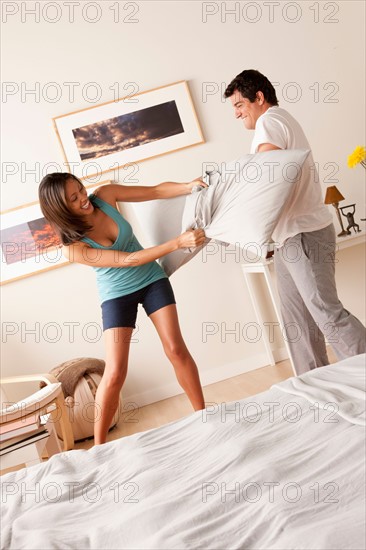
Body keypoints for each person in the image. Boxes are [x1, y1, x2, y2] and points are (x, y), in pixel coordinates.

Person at [39, 174, 206, 444]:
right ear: (61, 209)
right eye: (74, 198)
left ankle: (202, 417)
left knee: (175, 349)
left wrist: (187, 186)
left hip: (152, 280)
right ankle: (99, 446)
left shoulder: (105, 196)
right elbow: (128, 259)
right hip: (117, 295)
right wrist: (177, 243)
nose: (83, 198)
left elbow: (155, 189)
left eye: (80, 189)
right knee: (115, 372)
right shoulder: (73, 248)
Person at [224, 69, 366, 374]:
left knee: (326, 314)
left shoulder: (270, 121)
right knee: (298, 323)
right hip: (290, 236)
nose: (236, 115)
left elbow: (267, 179)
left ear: (259, 97)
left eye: (239, 105)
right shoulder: (281, 120)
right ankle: (315, 384)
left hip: (303, 233)